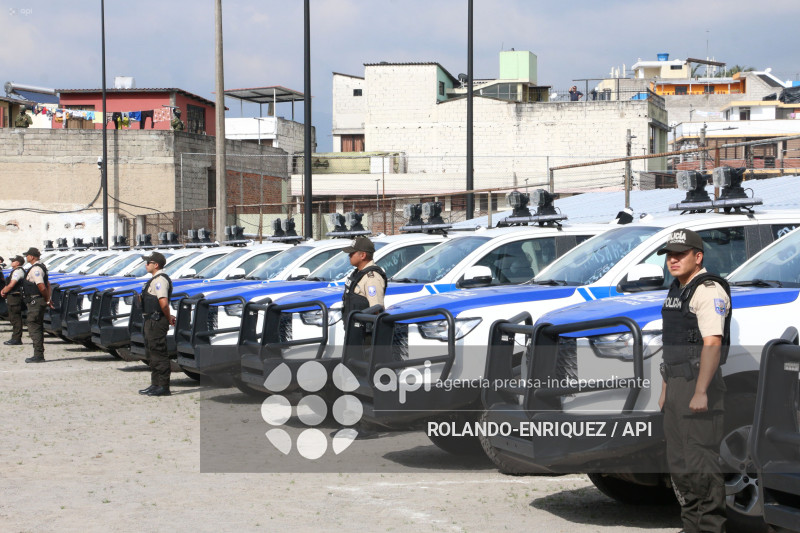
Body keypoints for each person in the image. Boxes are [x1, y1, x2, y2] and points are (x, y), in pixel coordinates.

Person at [657, 229, 731, 533]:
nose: (673, 260)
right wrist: (665, 390)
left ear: (697, 257)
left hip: (698, 385)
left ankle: (711, 528)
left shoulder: (708, 289)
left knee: (700, 463)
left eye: (680, 254)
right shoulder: (677, 289)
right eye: (669, 255)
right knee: (680, 464)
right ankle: (691, 527)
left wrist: (700, 391)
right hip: (676, 385)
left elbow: (712, 343)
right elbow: (673, 344)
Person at [137, 252, 175, 397]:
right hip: (150, 320)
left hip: (157, 321)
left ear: (156, 265)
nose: (146, 265)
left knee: (159, 352)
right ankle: (155, 384)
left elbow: (163, 303)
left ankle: (163, 386)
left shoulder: (160, 280)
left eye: (148, 262)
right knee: (152, 353)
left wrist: (168, 316)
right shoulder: (154, 279)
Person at [341, 236, 387, 320]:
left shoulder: (372, 278)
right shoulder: (358, 273)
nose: (349, 255)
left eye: (352, 253)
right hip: (354, 329)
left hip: (366, 331)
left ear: (362, 255)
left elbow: (376, 310)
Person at [21, 247, 53, 363]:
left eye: (27, 255)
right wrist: (48, 299)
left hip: (36, 301)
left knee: (34, 325)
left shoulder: (36, 269)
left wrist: (47, 298)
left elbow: (42, 286)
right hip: (37, 301)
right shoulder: (40, 267)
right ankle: (38, 354)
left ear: (32, 256)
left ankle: (38, 354)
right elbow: (48, 285)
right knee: (37, 325)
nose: (26, 257)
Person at [1, 255, 27, 346]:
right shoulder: (14, 271)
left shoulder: (18, 271)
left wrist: (4, 291)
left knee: (15, 318)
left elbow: (12, 284)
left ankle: (16, 338)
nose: (12, 262)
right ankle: (15, 337)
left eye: (13, 261)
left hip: (15, 297)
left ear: (18, 263)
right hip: (12, 296)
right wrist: (4, 290)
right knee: (13, 318)